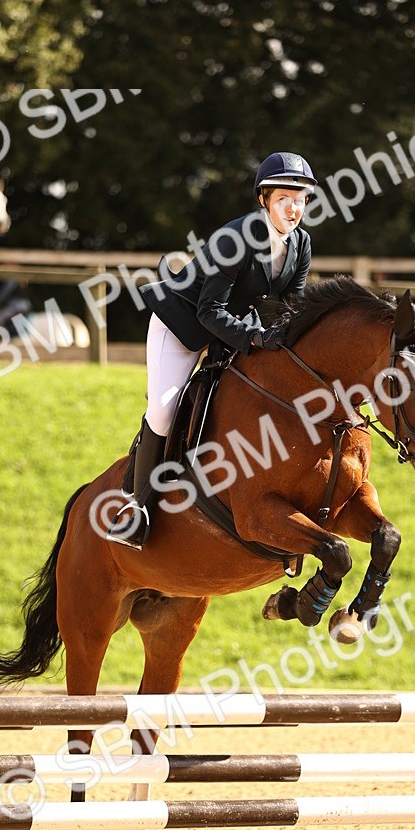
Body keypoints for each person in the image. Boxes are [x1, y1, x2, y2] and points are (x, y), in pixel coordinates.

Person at [107, 150, 318, 549]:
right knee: (165, 409)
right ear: (263, 199)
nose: (294, 209)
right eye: (284, 199)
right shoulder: (234, 239)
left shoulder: (301, 244)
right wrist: (255, 338)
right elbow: (208, 310)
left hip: (234, 323)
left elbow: (294, 309)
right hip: (184, 322)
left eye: (301, 199)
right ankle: (136, 508)